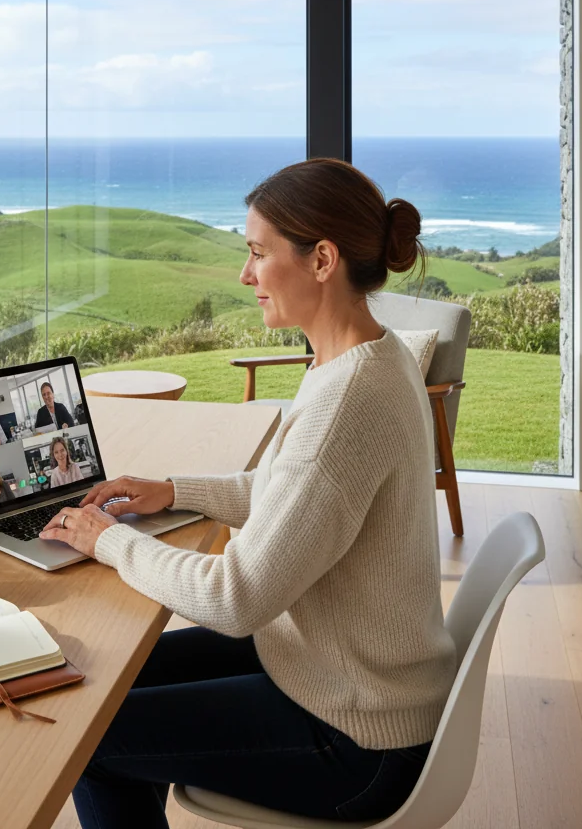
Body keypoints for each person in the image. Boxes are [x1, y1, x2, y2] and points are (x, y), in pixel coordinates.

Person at [40, 158, 456, 828]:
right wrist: (174, 490)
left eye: (259, 253)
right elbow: (294, 490)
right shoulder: (366, 358)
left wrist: (108, 541)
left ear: (322, 260)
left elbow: (236, 599)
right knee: (108, 677)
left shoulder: (349, 399)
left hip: (357, 737)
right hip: (326, 669)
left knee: (91, 738)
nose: (245, 274)